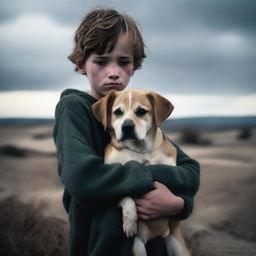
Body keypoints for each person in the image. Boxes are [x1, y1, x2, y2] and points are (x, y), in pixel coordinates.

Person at [53, 8, 200, 256]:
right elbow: (83, 178)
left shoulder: (138, 112)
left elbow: (189, 171)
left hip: (155, 246)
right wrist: (148, 178)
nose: (113, 72)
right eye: (101, 61)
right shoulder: (74, 108)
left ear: (134, 66)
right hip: (104, 245)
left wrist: (179, 204)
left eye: (123, 62)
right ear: (81, 64)